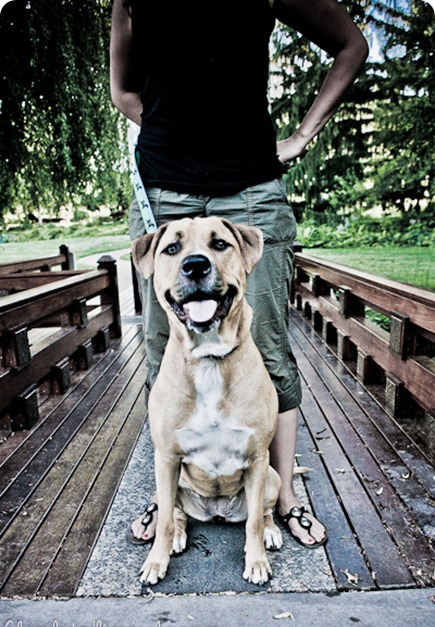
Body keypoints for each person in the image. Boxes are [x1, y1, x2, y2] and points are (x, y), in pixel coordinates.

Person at [110, 0, 368, 549]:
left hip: (250, 192)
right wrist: (175, 125)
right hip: (163, 192)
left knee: (268, 345)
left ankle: (285, 498)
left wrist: (299, 136)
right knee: (165, 349)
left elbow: (352, 45)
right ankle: (171, 494)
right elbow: (124, 91)